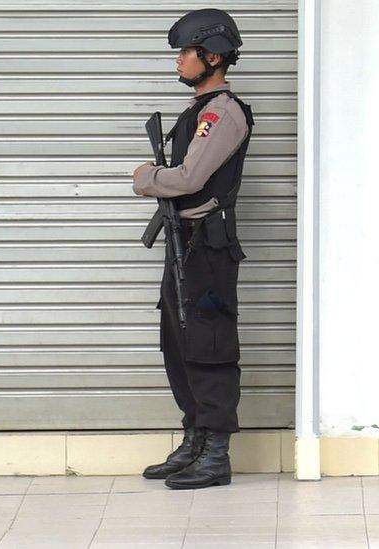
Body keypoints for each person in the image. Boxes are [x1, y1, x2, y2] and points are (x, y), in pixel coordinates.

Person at [131, 8, 253, 490]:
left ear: (214, 55)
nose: (178, 60)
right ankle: (194, 440)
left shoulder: (222, 112)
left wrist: (145, 179)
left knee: (210, 347)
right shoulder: (198, 112)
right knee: (178, 345)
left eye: (186, 51)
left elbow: (189, 179)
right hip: (186, 244)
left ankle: (216, 453)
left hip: (207, 249)